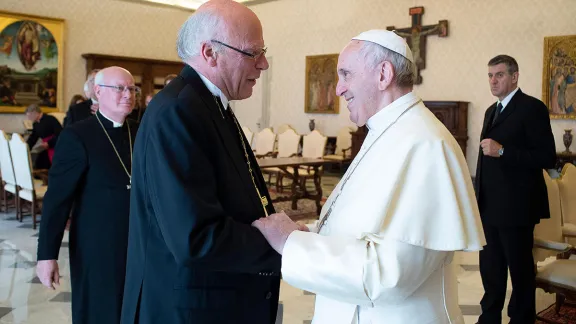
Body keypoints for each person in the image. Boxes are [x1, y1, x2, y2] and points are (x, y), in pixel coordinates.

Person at [252, 30, 486, 324]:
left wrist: (292, 244)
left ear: (383, 74)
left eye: (346, 74)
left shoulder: (426, 144)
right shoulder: (387, 131)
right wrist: (310, 234)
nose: (338, 89)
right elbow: (364, 228)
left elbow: (389, 275)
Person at [120, 1, 284, 323]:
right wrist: (280, 244)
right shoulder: (179, 111)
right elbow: (194, 238)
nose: (263, 64)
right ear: (210, 53)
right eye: (253, 53)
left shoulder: (208, 104)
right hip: (188, 310)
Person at [36, 66, 139, 324]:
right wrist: (47, 255)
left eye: (131, 88)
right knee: (100, 310)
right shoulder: (77, 135)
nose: (127, 94)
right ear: (98, 92)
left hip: (139, 241)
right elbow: (57, 199)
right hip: (97, 245)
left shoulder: (142, 130)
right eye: (120, 88)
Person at [475, 55, 556, 324]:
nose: (493, 81)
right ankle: (489, 318)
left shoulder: (532, 108)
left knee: (520, 273)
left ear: (514, 76)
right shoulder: (490, 111)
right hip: (489, 207)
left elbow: (546, 157)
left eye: (499, 75)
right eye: (490, 75)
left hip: (517, 208)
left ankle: (521, 319)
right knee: (490, 269)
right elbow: (484, 162)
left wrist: (504, 151)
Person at [25, 103, 62, 169]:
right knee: (38, 164)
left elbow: (60, 134)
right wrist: (26, 147)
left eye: (29, 116)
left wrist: (49, 143)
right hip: (46, 148)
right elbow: (33, 138)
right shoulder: (35, 124)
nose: (29, 118)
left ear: (35, 112)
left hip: (56, 146)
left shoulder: (51, 119)